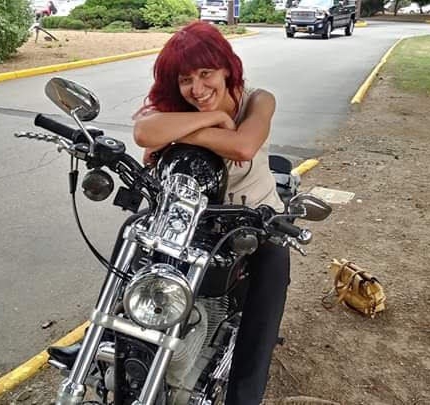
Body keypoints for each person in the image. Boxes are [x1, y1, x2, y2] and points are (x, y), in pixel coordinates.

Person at [133, 21, 290, 405]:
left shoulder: (258, 100)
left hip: (257, 219)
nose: (197, 89)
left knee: (265, 305)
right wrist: (214, 119)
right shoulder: (179, 106)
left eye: (206, 74)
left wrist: (176, 131)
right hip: (191, 220)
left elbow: (243, 146)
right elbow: (143, 135)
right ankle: (113, 345)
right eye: (186, 79)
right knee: (135, 263)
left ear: (226, 69)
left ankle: (244, 396)